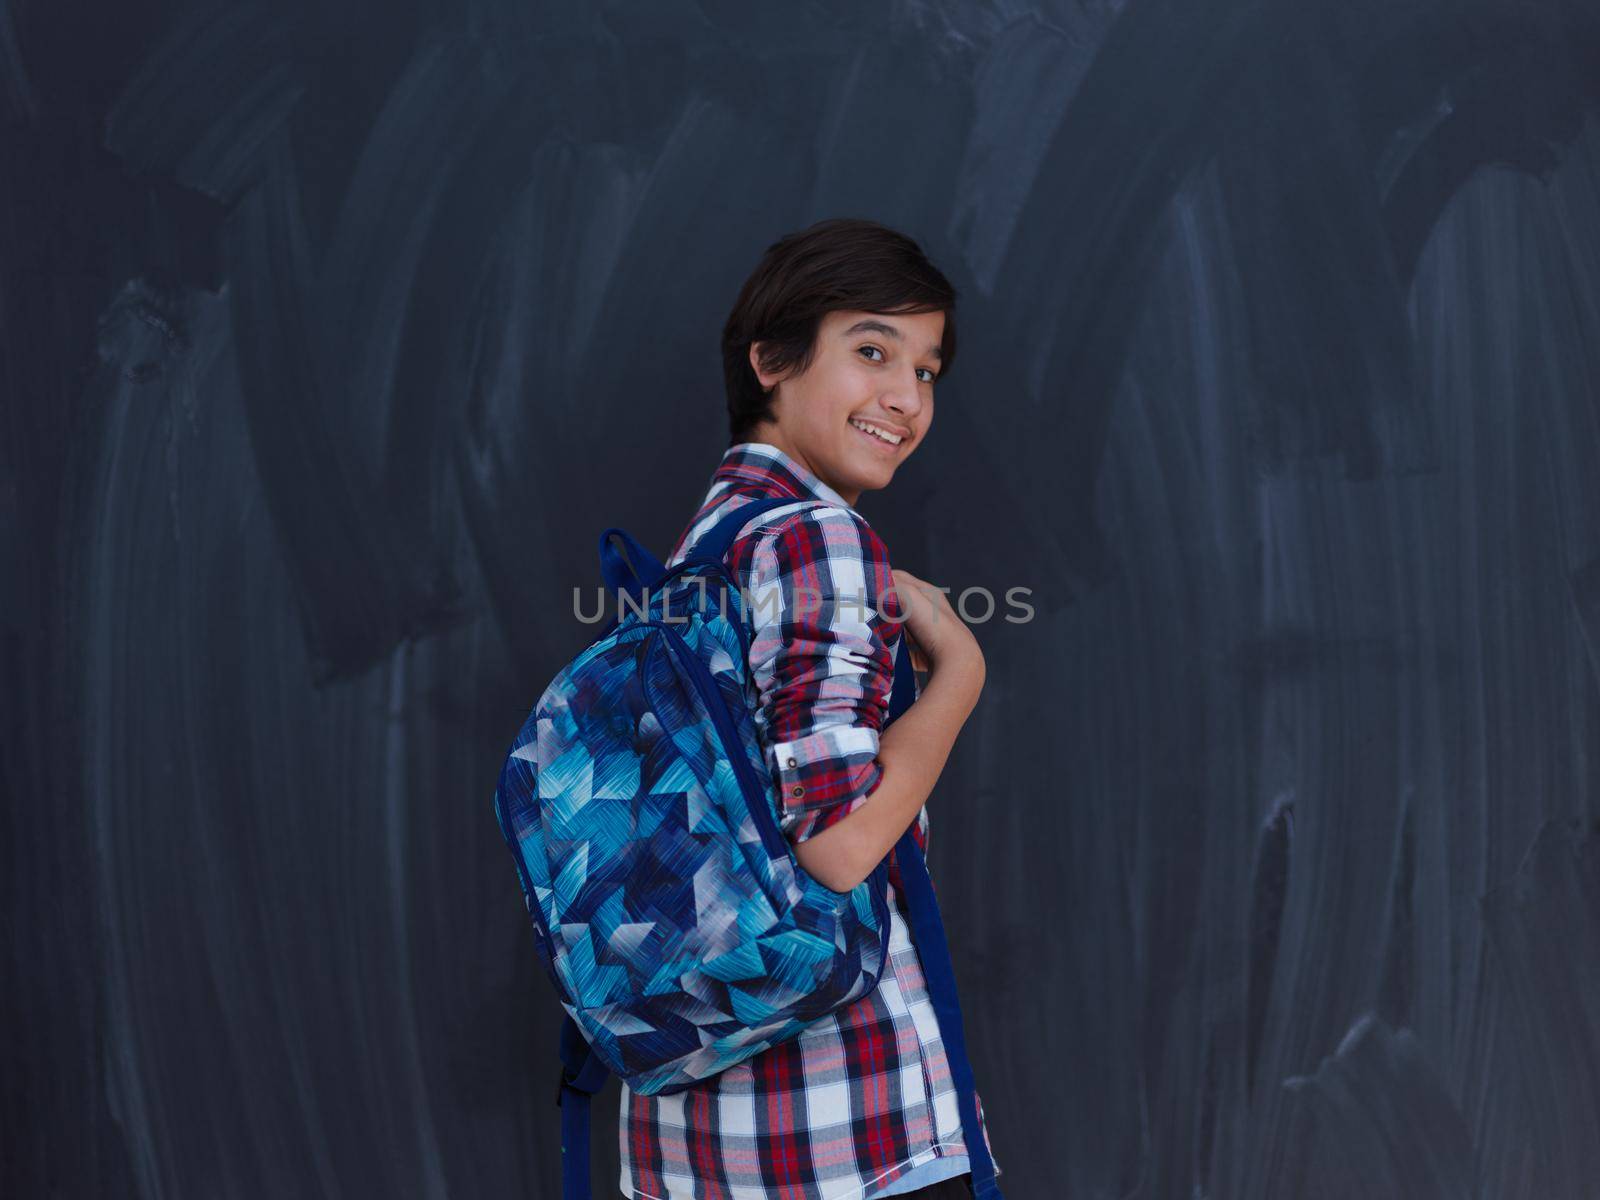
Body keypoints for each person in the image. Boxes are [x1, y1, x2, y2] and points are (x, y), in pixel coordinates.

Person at [618, 218, 1000, 1199]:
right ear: (771, 360)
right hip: (842, 1130)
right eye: (872, 350)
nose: (905, 398)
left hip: (694, 1130)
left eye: (926, 370)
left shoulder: (705, 545)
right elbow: (834, 846)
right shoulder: (811, 540)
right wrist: (959, 672)